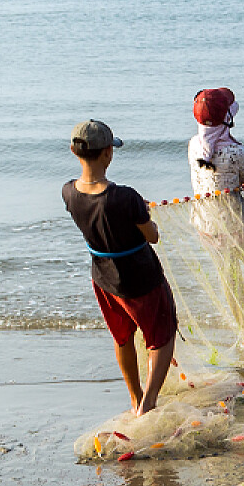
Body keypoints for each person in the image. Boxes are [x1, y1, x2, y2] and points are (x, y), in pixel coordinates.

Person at [63, 119, 178, 415]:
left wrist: (135, 209)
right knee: (161, 336)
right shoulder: (126, 196)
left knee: (122, 335)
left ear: (75, 152)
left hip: (103, 278)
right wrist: (144, 212)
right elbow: (152, 235)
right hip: (141, 278)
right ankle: (149, 402)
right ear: (107, 154)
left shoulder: (68, 192)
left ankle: (134, 396)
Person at [187, 87, 244, 337]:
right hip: (235, 224)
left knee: (230, 274)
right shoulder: (235, 152)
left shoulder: (194, 145)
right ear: (227, 118)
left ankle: (242, 328)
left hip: (206, 225)